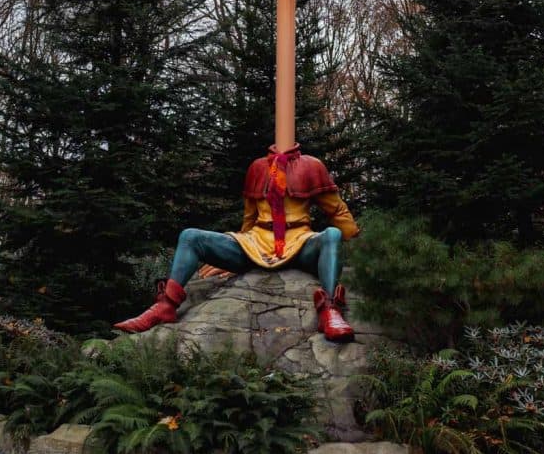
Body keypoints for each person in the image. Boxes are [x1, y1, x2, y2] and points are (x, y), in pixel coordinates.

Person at [114, 144, 360, 342]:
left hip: (299, 241)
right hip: (256, 242)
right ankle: (165, 306)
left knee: (331, 234)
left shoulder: (311, 166)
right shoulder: (258, 168)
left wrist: (360, 247)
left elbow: (337, 210)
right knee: (190, 236)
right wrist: (234, 256)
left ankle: (330, 309)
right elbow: (249, 220)